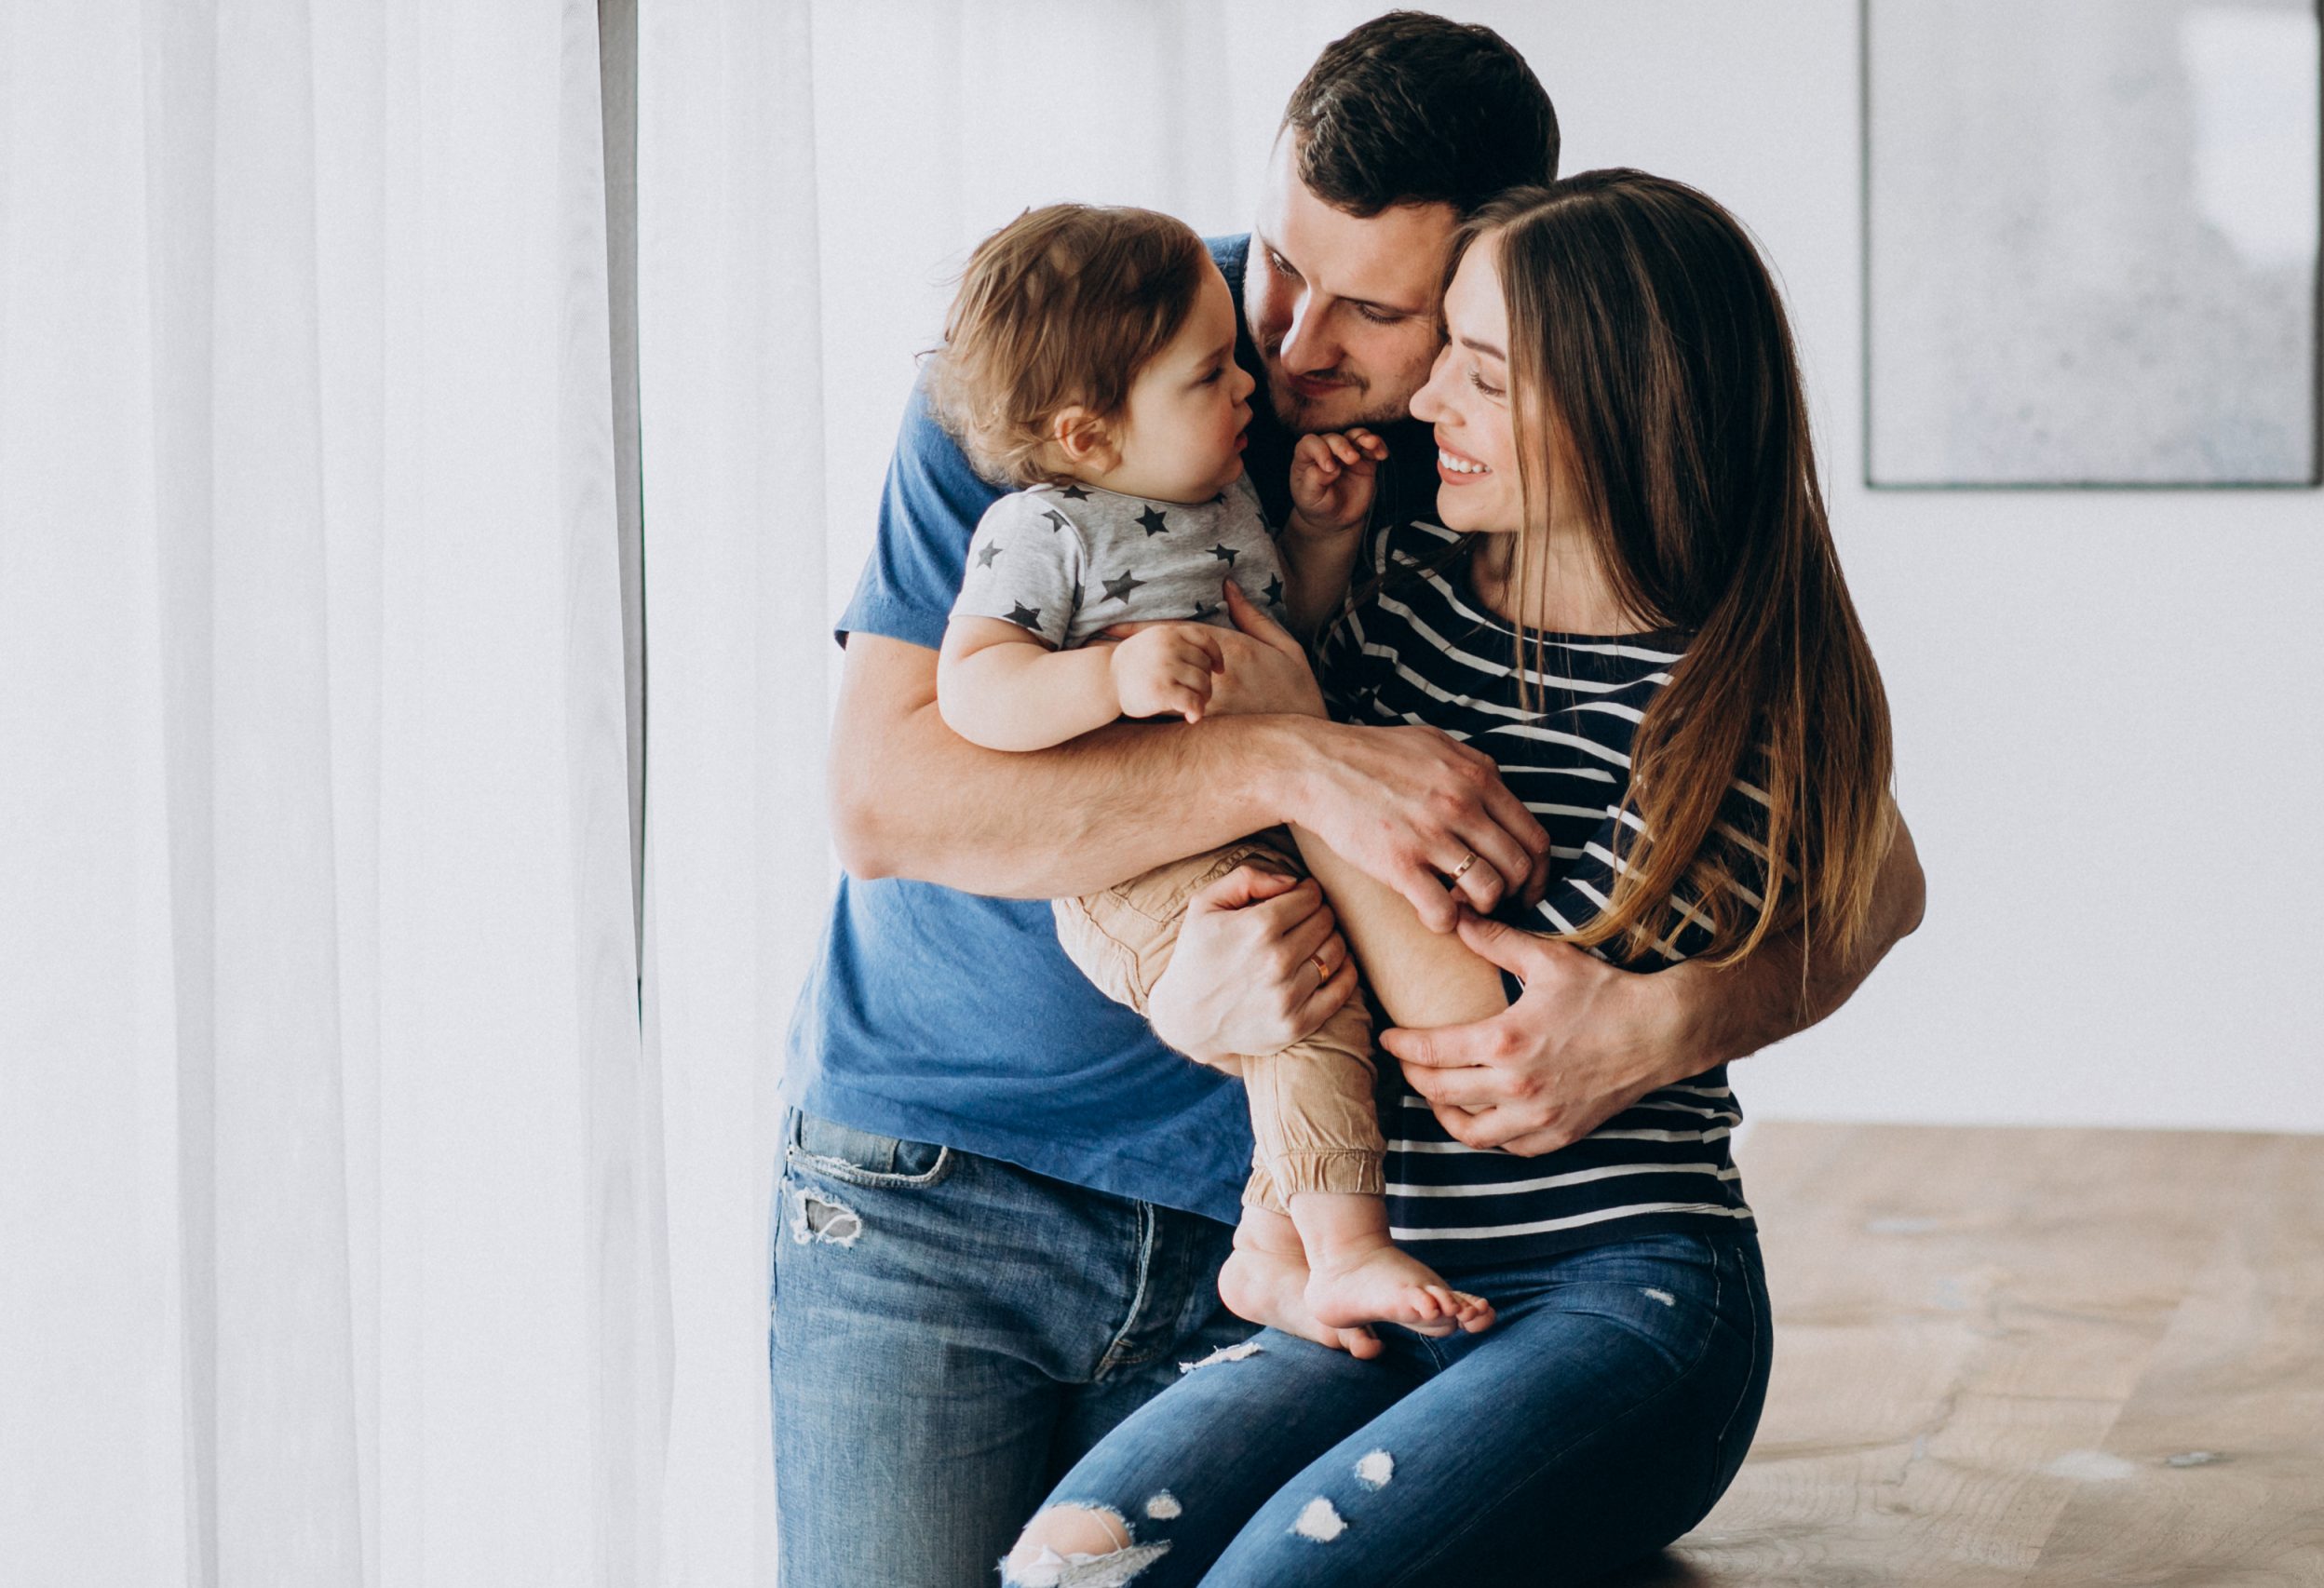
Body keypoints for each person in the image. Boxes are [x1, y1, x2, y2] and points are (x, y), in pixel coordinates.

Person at [776, 16, 1926, 1588]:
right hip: (948, 1173)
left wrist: (1671, 1021)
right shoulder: (1086, 357)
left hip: (1296, 1227)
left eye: (1380, 312)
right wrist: (1290, 756)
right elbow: (887, 798)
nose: (1289, 342)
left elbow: (1868, 868)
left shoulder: (1469, 482)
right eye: (1280, 268)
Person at [929, 198, 1496, 1341]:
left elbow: (1289, 649)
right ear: (1090, 435)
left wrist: (1320, 535)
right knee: (1308, 1011)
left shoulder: (1225, 495)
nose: (1252, 381)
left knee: (1322, 996)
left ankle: (1273, 1244)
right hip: (1132, 874)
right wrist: (1109, 680)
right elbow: (973, 688)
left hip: (1238, 841)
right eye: (1209, 375)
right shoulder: (1045, 528)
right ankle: (1338, 1250)